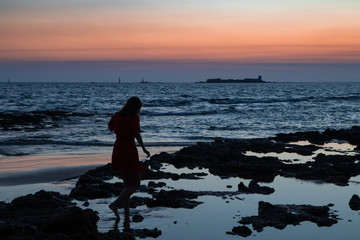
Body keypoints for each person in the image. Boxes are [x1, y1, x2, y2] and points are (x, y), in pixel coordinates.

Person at [108, 96, 150, 220]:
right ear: (135, 107)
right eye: (139, 108)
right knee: (135, 184)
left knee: (127, 185)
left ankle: (126, 213)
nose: (139, 111)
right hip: (129, 149)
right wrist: (143, 148)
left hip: (118, 148)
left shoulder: (117, 115)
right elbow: (136, 134)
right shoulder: (134, 118)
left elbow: (111, 127)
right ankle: (115, 204)